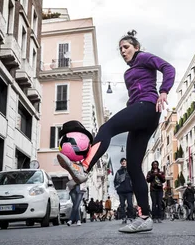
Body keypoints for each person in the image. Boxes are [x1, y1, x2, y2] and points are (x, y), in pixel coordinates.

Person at [57, 31, 175, 234]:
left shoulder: (144, 57)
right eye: (120, 48)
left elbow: (168, 68)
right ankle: (144, 217)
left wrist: (164, 90)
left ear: (136, 47)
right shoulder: (129, 71)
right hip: (141, 113)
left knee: (107, 128)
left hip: (147, 106)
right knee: (134, 167)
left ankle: (84, 168)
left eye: (126, 47)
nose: (123, 51)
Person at [114, 158, 134, 224]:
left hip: (129, 190)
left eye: (125, 161)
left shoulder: (130, 170)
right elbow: (115, 181)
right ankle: (123, 217)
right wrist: (117, 188)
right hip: (121, 191)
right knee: (122, 205)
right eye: (122, 161)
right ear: (121, 163)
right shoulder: (118, 172)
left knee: (130, 204)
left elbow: (134, 179)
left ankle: (130, 217)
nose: (123, 162)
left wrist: (133, 188)